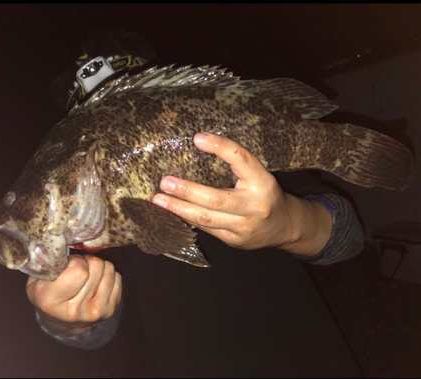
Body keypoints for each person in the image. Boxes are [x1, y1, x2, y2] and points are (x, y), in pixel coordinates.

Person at [27, 29, 364, 377]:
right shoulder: (85, 225)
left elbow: (348, 238)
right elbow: (98, 329)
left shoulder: (240, 153)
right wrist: (63, 321)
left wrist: (289, 224)